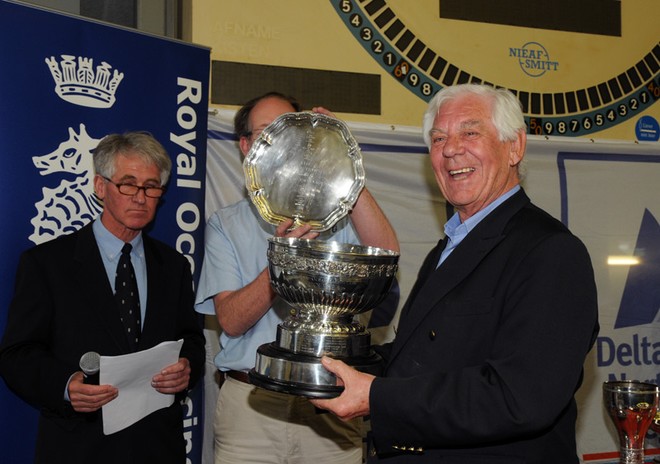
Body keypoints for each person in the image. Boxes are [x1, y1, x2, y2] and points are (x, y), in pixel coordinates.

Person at [311, 84, 600, 463]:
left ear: (515, 147)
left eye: (470, 132)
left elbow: (520, 397)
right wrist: (333, 364)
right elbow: (423, 356)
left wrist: (376, 396)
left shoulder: (551, 252)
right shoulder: (450, 245)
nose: (450, 149)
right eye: (438, 138)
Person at [195, 91, 400, 464]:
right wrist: (281, 262)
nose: (278, 143)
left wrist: (343, 162)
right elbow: (231, 320)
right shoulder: (225, 224)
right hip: (251, 408)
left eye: (287, 130)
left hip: (331, 400)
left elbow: (386, 257)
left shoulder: (338, 213)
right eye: (264, 133)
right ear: (245, 146)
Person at [0, 132, 205, 463]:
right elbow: (16, 355)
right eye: (128, 184)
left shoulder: (173, 266)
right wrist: (66, 385)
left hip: (157, 446)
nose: (140, 197)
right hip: (78, 446)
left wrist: (187, 368)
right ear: (100, 186)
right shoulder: (47, 264)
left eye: (152, 187)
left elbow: (192, 340)